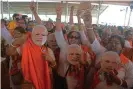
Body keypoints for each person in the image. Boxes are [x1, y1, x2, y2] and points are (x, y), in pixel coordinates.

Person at [81, 2, 133, 88]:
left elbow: (130, 82)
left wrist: (117, 80)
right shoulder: (101, 51)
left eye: (117, 43)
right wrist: (88, 25)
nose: (113, 44)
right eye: (111, 42)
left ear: (122, 48)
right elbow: (92, 40)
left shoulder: (128, 64)